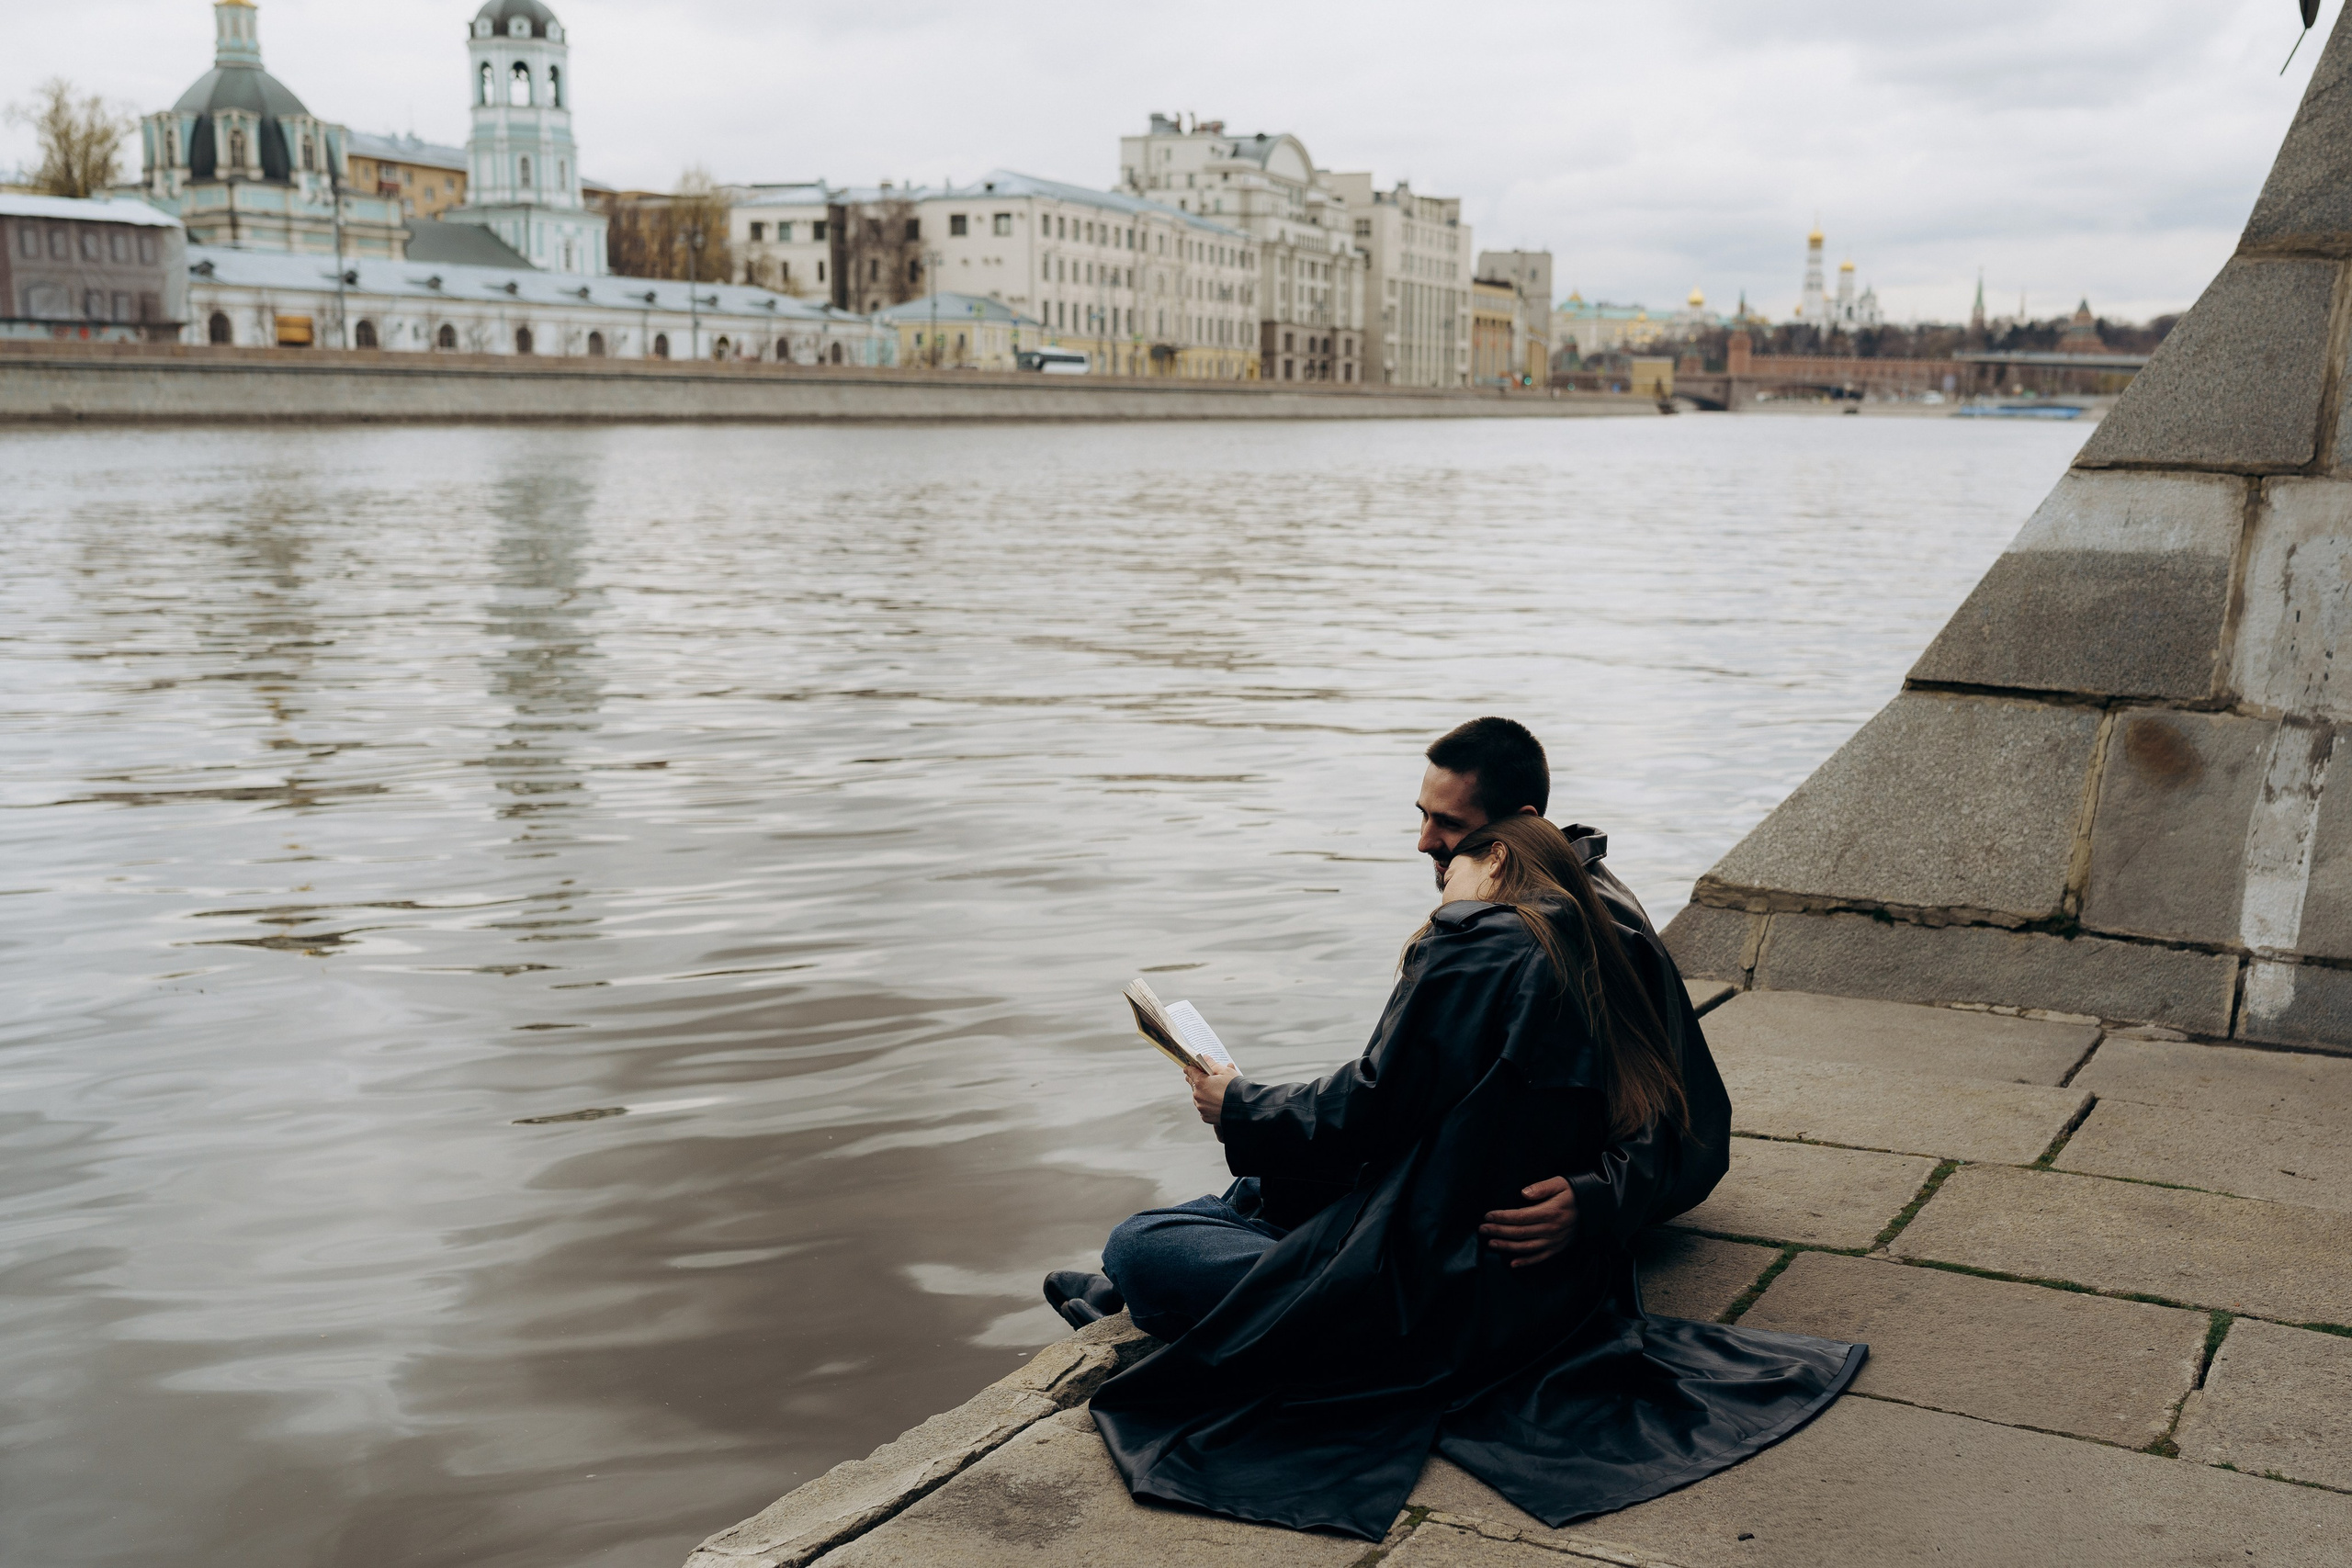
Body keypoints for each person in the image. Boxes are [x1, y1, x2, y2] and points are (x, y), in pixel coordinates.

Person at [1043, 728, 1864, 1540]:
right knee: (1260, 1188)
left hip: (1449, 1269)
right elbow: (1421, 1102)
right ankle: (1191, 1279)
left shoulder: (1477, 939)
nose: (1426, 842)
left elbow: (1381, 1108)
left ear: (1512, 833)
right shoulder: (1589, 902)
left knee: (1143, 1242)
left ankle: (1179, 1293)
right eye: (1423, 815)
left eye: (1449, 828)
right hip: (1465, 1217)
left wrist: (1242, 1104)